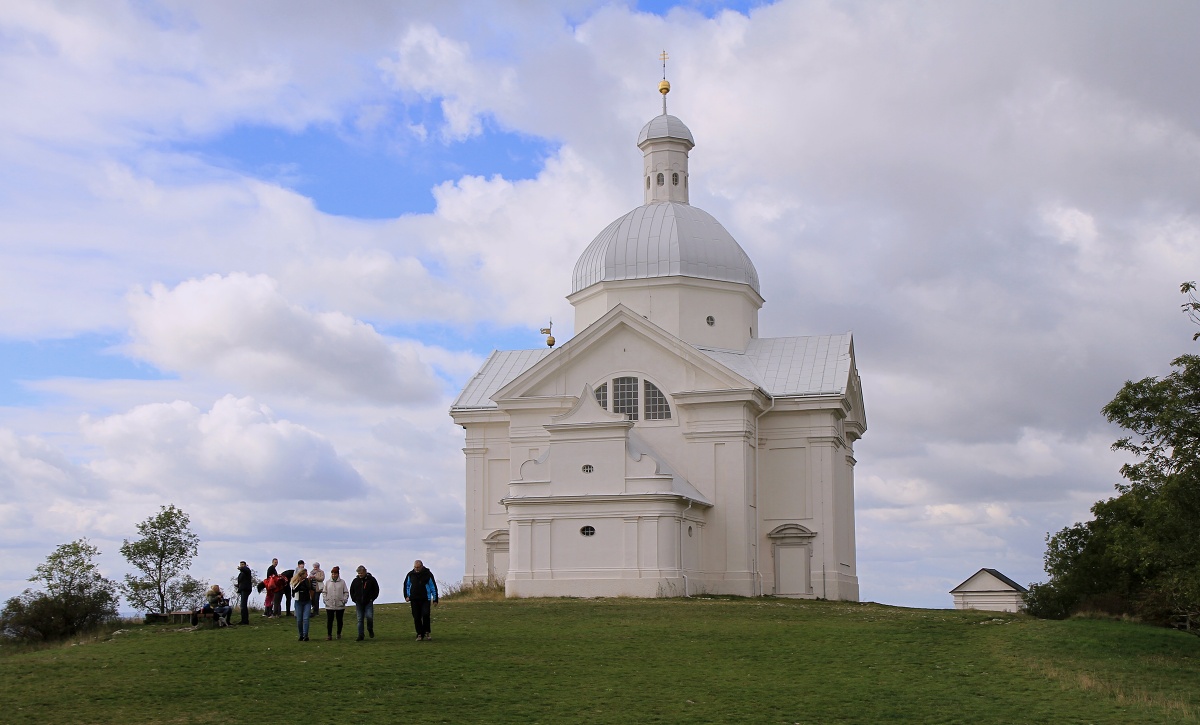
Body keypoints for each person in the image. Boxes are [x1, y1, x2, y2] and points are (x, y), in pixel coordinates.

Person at [403, 560, 439, 641]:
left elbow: (433, 586)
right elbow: (406, 585)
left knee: (426, 614)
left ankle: (427, 632)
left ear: (422, 566)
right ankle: (419, 634)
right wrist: (406, 596)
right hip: (414, 599)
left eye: (418, 567)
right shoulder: (410, 574)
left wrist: (435, 599)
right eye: (415, 567)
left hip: (425, 599)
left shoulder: (428, 574)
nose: (416, 569)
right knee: (416, 617)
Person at [349, 565, 379, 641]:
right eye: (359, 573)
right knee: (360, 619)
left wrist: (372, 598)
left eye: (361, 573)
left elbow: (376, 589)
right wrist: (354, 599)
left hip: (368, 602)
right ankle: (360, 635)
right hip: (359, 603)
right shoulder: (355, 581)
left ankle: (370, 629)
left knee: (369, 617)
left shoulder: (371, 580)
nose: (360, 575)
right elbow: (352, 591)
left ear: (365, 572)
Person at [322, 566, 349, 640]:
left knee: (339, 620)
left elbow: (346, 592)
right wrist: (325, 600)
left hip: (340, 605)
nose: (334, 575)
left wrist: (344, 600)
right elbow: (324, 592)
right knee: (330, 620)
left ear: (338, 574)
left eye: (335, 574)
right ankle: (329, 635)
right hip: (329, 604)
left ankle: (338, 633)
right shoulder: (327, 582)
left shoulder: (342, 582)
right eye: (332, 574)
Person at [291, 568, 313, 641]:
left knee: (306, 618)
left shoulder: (307, 581)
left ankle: (305, 635)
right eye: (306, 574)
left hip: (307, 601)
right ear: (302, 574)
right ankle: (301, 635)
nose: (307, 575)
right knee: (299, 619)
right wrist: (299, 582)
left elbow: (310, 588)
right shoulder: (295, 581)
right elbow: (294, 589)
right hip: (298, 601)